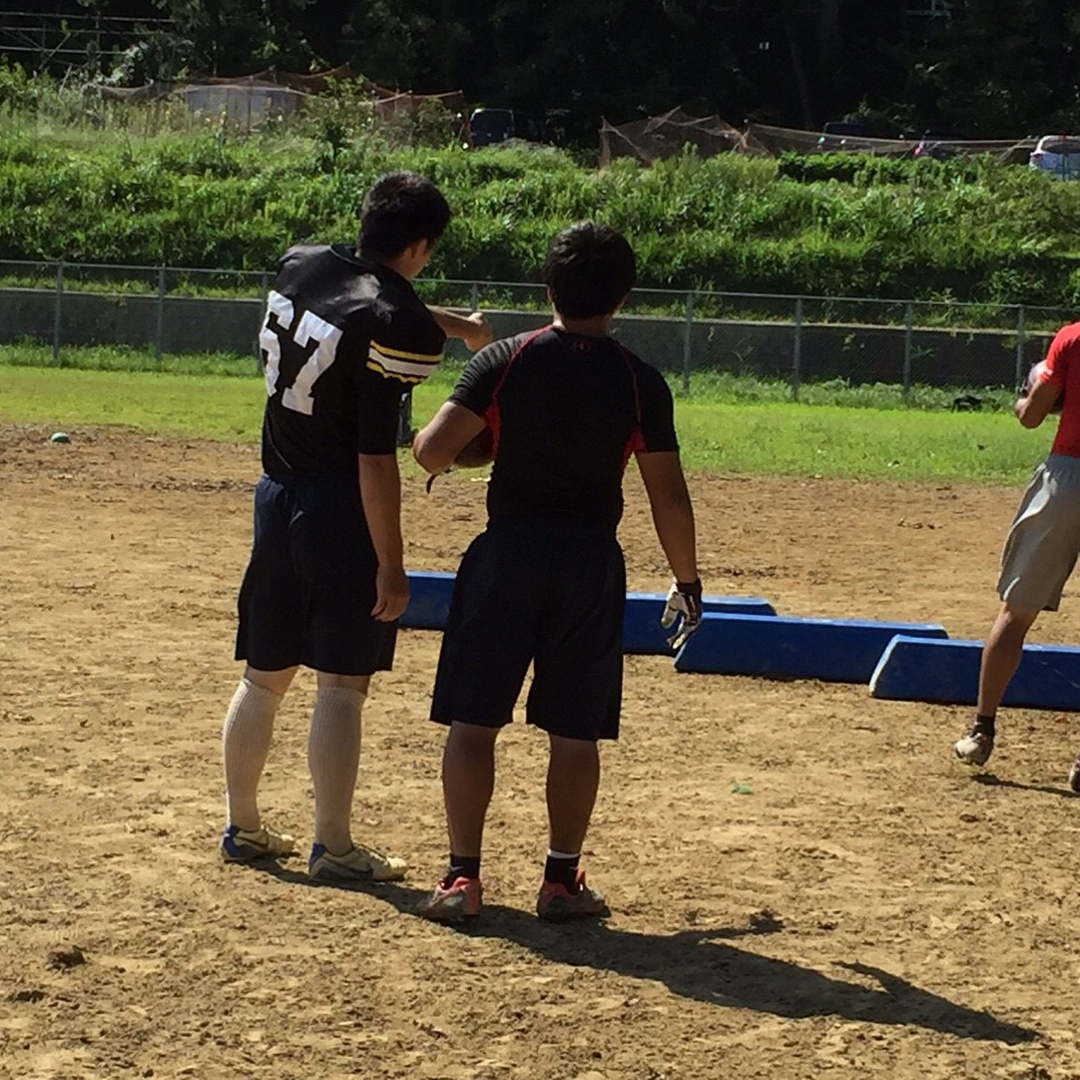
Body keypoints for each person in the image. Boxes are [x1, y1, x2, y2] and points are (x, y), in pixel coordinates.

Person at [411, 222, 702, 923]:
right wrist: (687, 582)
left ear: (547, 288)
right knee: (575, 733)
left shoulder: (505, 361)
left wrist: (486, 446)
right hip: (589, 564)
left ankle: (462, 879)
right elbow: (668, 493)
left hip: (506, 553)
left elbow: (430, 453)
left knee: (473, 723)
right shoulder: (640, 381)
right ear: (623, 297)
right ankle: (561, 881)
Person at [219, 171, 491, 882]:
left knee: (264, 675)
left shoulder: (303, 263)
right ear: (422, 246)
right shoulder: (396, 328)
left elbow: (358, 302)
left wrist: (454, 322)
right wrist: (391, 562)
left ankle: (242, 826)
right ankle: (333, 846)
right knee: (342, 682)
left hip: (275, 495)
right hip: (340, 508)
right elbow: (376, 458)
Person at [953, 324, 1080, 787]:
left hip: (1069, 475)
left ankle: (982, 729)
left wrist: (1025, 395)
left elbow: (1031, 416)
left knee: (1017, 610)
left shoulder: (1072, 338)